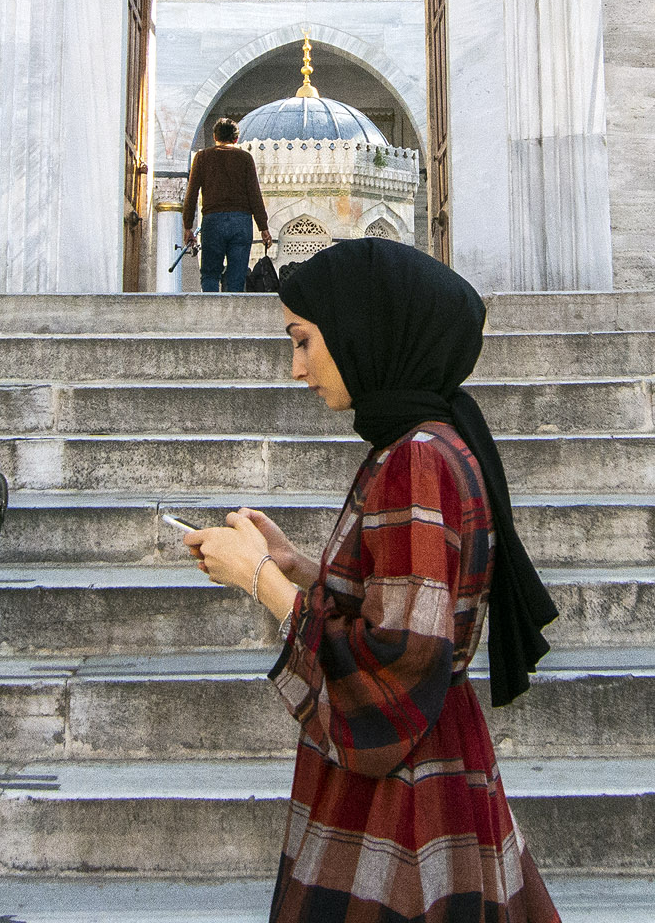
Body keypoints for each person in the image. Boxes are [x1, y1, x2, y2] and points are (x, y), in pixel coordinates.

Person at [185, 238, 562, 923]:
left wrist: (261, 580)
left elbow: (400, 659)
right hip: (434, 751)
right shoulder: (427, 440)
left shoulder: (416, 458)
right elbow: (410, 595)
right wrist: (300, 567)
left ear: (362, 330)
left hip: (404, 783)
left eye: (303, 341)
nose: (296, 368)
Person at [183, 117, 273, 293]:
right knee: (237, 277)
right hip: (241, 222)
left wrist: (188, 227)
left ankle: (211, 309)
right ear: (236, 139)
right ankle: (233, 310)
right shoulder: (245, 158)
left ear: (215, 137)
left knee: (210, 274)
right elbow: (254, 194)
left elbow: (191, 193)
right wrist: (263, 227)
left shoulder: (202, 157)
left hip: (213, 221)